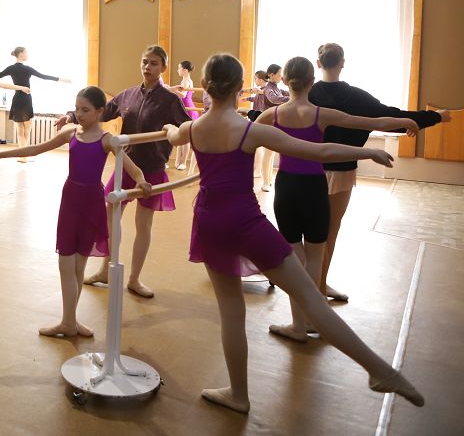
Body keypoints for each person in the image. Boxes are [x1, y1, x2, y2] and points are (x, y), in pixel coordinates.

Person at [164, 53, 424, 413]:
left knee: (231, 312)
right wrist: (366, 152)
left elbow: (173, 134)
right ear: (240, 87)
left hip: (209, 221)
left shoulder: (193, 129)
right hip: (245, 222)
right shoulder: (250, 130)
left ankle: (239, 395)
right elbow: (319, 150)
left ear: (206, 85)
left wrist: (169, 129)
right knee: (311, 297)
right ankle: (379, 370)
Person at [254, 56, 419, 341]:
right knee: (315, 256)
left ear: (285, 81)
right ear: (312, 82)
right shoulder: (322, 114)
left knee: (295, 260)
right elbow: (371, 121)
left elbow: (245, 137)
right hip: (314, 189)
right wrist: (406, 120)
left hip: (288, 189)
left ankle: (299, 324)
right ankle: (312, 320)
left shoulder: (273, 115)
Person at [0, 87, 151, 337]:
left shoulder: (107, 140)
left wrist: (142, 181)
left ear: (100, 112)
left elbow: (132, 168)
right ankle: (69, 321)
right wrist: (0, 155)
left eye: (85, 110)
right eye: (77, 108)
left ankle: (69, 322)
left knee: (79, 268)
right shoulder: (71, 132)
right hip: (70, 199)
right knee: (65, 264)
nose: (79, 114)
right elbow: (36, 149)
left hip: (91, 203)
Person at [308, 42, 450, 301]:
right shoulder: (356, 97)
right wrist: (436, 117)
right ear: (342, 63)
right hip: (340, 171)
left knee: (311, 230)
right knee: (330, 230)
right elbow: (390, 117)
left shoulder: (308, 93)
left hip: (306, 168)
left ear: (318, 63)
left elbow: (280, 116)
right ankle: (319, 285)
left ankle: (314, 285)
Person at [56, 45, 189, 298]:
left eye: (153, 63)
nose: (147, 67)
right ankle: (105, 270)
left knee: (143, 224)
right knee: (109, 214)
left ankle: (135, 279)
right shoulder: (128, 95)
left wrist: (175, 130)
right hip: (125, 166)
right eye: (144, 62)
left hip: (152, 169)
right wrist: (71, 116)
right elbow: (101, 111)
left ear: (163, 67)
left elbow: (186, 128)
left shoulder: (170, 100)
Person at [0, 46, 69, 161]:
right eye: (26, 53)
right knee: (27, 129)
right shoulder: (27, 69)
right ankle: (24, 156)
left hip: (17, 99)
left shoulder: (11, 68)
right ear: (21, 55)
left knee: (20, 129)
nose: (27, 55)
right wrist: (61, 79)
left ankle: (23, 155)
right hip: (26, 99)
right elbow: (43, 76)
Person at [258, 63, 290, 192]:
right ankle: (265, 182)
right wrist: (291, 99)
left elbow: (287, 93)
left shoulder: (276, 88)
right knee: (268, 153)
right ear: (271, 74)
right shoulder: (268, 88)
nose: (281, 76)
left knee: (271, 153)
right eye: (279, 74)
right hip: (268, 124)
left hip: (275, 124)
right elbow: (275, 99)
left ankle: (268, 180)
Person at [172, 60, 199, 170]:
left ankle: (183, 162)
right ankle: (178, 161)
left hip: (188, 109)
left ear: (185, 70)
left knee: (185, 138)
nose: (178, 70)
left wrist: (171, 90)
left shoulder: (187, 81)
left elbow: (183, 95)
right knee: (180, 135)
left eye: (179, 68)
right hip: (183, 108)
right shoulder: (185, 80)